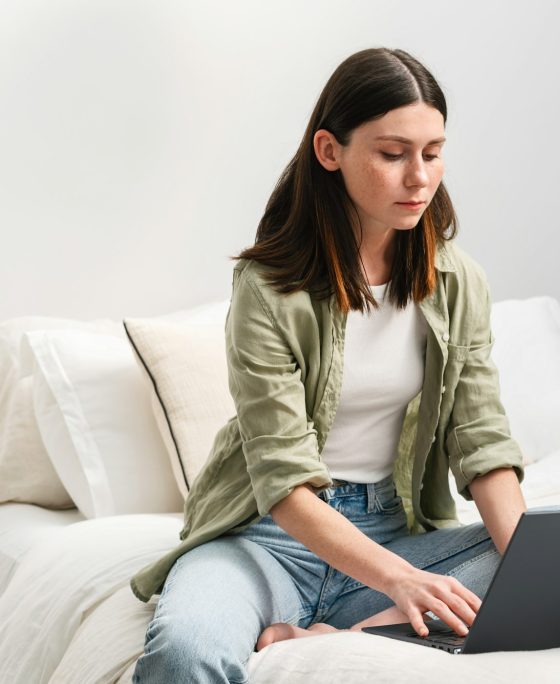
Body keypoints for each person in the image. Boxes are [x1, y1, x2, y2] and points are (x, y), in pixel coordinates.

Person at [130, 47, 527, 683]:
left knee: (534, 558)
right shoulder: (267, 287)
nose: (419, 177)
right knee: (186, 652)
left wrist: (536, 567)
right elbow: (283, 482)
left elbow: (482, 443)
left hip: (393, 530)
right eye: (392, 153)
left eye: (432, 152)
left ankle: (331, 632)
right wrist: (400, 582)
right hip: (265, 540)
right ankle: (361, 619)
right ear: (329, 150)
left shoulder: (459, 283)